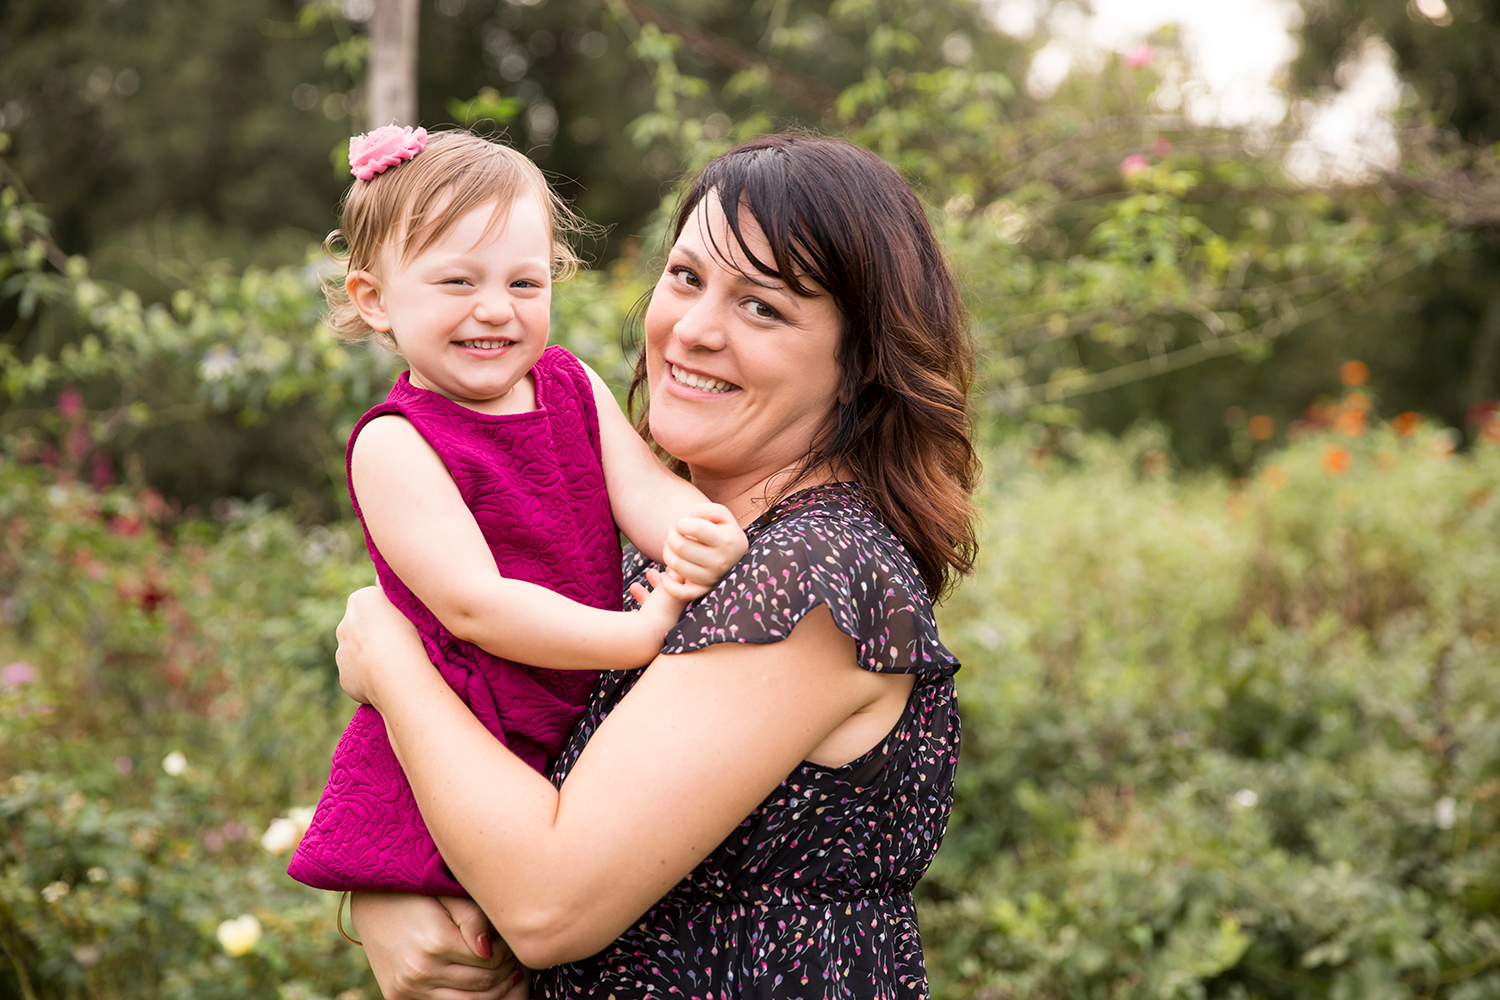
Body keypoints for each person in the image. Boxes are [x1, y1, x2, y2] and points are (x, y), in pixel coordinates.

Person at [333, 131, 979, 998]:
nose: (695, 330)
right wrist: (390, 892)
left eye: (764, 307)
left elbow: (548, 903)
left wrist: (390, 662)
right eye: (686, 277)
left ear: (860, 362)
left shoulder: (811, 572)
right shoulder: (673, 545)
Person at [289, 125, 748, 900]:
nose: (495, 311)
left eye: (525, 285)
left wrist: (700, 530)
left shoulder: (569, 382)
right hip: (472, 728)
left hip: (566, 713)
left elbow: (642, 491)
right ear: (374, 300)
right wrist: (632, 636)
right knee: (467, 950)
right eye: (457, 284)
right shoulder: (397, 445)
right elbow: (477, 604)